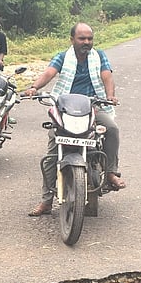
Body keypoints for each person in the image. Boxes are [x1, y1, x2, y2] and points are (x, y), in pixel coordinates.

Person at [22, 22, 122, 216]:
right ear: (72, 40)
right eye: (82, 38)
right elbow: (49, 73)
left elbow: (107, 76)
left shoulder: (99, 56)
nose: (86, 42)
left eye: (89, 39)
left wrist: (110, 95)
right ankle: (46, 201)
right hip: (64, 109)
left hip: (93, 107)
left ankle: (110, 172)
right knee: (53, 150)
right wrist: (34, 87)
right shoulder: (62, 57)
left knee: (112, 129)